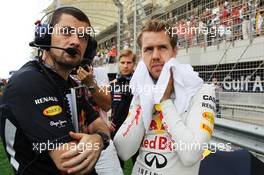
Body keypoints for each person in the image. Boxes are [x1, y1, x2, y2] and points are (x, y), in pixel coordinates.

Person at [0, 7, 110, 175]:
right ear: (45, 36)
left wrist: (98, 138)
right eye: (66, 32)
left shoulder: (72, 84)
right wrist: (98, 141)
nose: (76, 41)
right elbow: (69, 160)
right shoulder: (29, 82)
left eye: (83, 37)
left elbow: (99, 124)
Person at [114, 19, 216, 175]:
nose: (155, 56)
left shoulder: (201, 90)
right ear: (142, 55)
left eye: (162, 47)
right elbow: (123, 150)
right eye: (148, 49)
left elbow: (191, 155)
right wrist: (147, 97)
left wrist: (165, 101)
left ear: (174, 51)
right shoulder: (142, 90)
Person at [109, 48, 136, 168]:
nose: (125, 66)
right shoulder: (112, 84)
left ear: (134, 64)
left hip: (136, 128)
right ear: (118, 64)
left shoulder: (140, 83)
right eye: (123, 62)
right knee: (117, 165)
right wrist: (106, 122)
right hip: (116, 129)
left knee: (138, 162)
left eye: (129, 63)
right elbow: (103, 106)